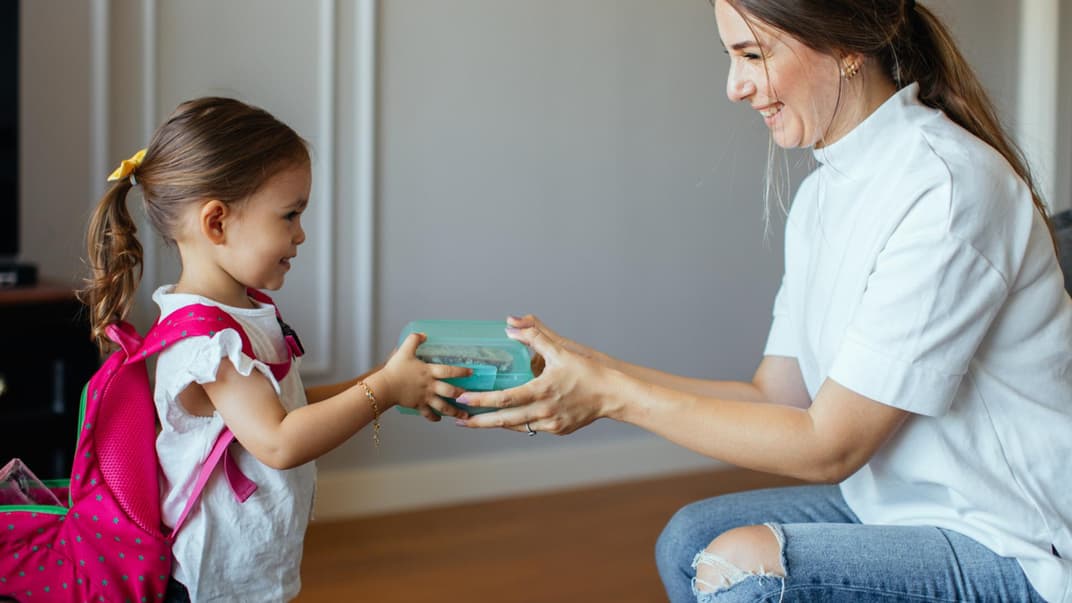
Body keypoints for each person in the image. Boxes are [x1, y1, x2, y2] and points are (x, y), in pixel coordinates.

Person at [456, 1, 1072, 601]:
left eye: (753, 54)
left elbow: (828, 445)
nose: (734, 86)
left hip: (1014, 544)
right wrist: (594, 371)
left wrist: (612, 396)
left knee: (742, 567)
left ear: (848, 44)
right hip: (903, 508)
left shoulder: (945, 189)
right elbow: (779, 398)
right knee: (689, 539)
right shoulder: (823, 196)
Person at [79, 97, 471, 602]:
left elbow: (290, 407)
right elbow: (280, 441)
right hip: (212, 584)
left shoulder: (238, 313)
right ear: (216, 223)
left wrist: (390, 382)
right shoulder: (207, 342)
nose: (301, 234)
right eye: (290, 215)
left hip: (244, 570)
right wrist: (385, 387)